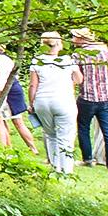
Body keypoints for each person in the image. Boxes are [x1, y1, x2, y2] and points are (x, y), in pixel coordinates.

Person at [29, 31, 81, 175]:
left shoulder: (37, 61)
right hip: (64, 101)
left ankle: (55, 167)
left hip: (42, 101)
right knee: (66, 136)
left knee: (50, 135)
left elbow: (33, 85)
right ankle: (67, 170)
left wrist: (31, 103)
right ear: (59, 43)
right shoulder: (67, 60)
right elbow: (79, 79)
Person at [70, 27, 108, 170]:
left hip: (87, 97)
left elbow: (76, 78)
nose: (73, 40)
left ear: (81, 38)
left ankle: (87, 159)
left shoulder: (78, 54)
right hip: (107, 98)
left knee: (83, 128)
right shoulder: (105, 52)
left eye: (74, 37)